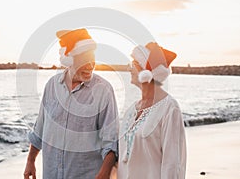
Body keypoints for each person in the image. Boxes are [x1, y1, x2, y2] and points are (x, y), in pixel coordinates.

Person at [23, 28, 119, 179]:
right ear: (68, 60)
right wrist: (30, 161)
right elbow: (40, 129)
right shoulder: (51, 86)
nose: (89, 66)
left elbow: (111, 140)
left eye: (92, 60)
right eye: (84, 60)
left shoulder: (104, 91)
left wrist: (104, 173)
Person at [117, 42, 187, 179]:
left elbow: (172, 163)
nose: (129, 69)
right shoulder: (131, 110)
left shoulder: (169, 108)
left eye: (133, 65)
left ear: (145, 72)